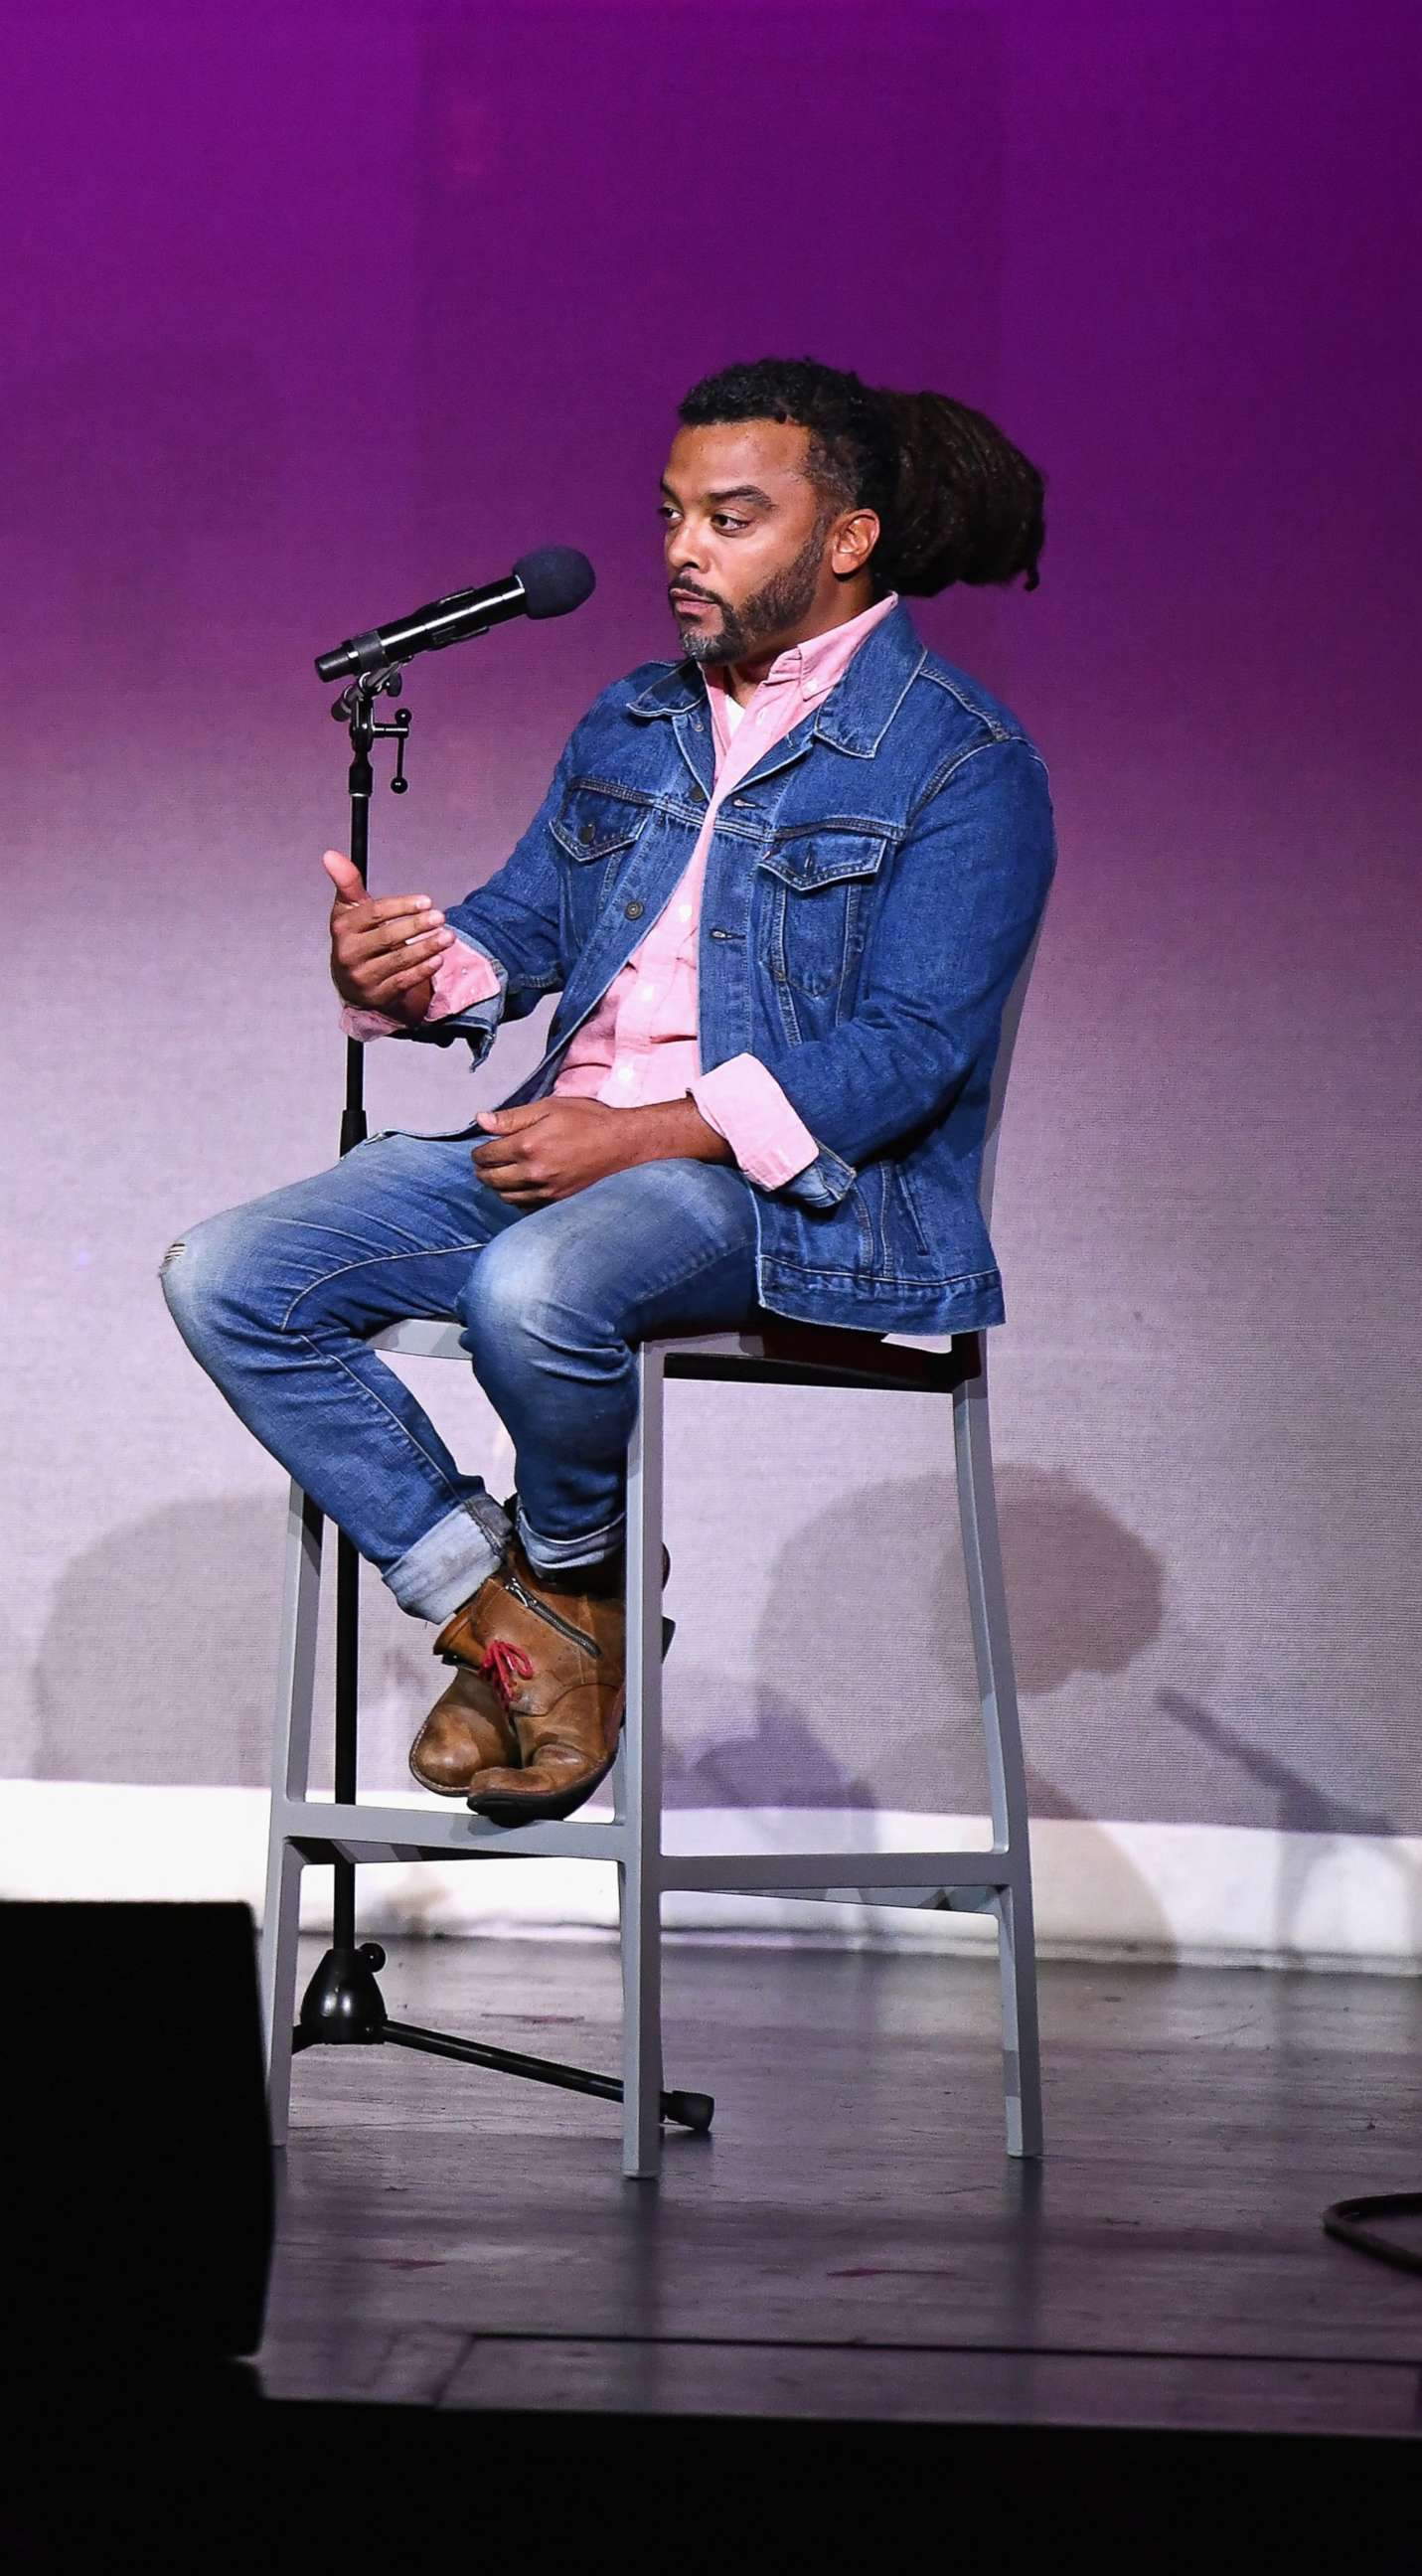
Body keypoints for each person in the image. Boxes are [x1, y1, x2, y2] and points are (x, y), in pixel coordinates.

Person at [161, 355, 1056, 1827]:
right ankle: (526, 1626)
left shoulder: (962, 762)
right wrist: (416, 971)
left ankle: (566, 1585)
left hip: (798, 1196)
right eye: (671, 515)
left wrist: (635, 1138)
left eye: (732, 518)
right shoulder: (635, 720)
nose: (682, 552)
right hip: (571, 1153)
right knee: (229, 1274)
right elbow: (524, 931)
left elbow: (907, 1052)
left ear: (849, 538)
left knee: (535, 1285)